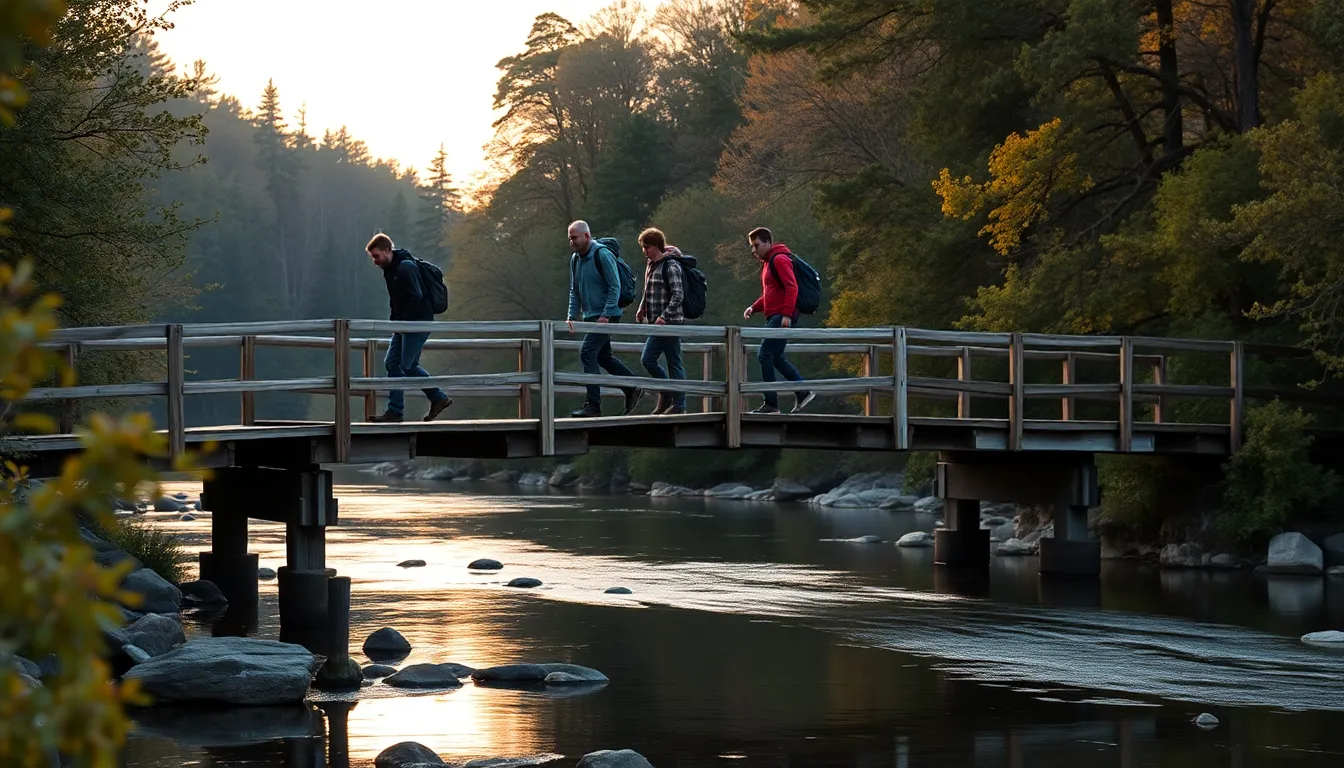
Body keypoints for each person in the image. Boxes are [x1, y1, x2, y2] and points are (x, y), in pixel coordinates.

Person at [364, 233, 453, 423]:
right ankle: (395, 411)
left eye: (377, 256)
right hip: (403, 323)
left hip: (418, 321)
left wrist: (404, 322)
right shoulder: (390, 268)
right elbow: (397, 299)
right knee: (392, 363)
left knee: (408, 365)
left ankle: (438, 397)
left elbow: (416, 296)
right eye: (373, 257)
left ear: (388, 250)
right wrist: (395, 322)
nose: (375, 261)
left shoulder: (406, 266)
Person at [566, 220, 644, 418]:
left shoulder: (602, 254)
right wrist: (571, 315)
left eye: (575, 237)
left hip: (607, 315)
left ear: (587, 236)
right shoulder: (575, 259)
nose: (572, 241)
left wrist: (606, 315)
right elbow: (574, 289)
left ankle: (593, 405)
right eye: (570, 238)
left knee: (587, 352)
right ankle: (632, 387)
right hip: (591, 315)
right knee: (603, 357)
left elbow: (614, 286)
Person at [742, 227, 814, 414]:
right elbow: (770, 294)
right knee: (776, 357)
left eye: (756, 245)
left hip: (781, 316)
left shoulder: (780, 259)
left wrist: (787, 315)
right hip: (774, 316)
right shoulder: (768, 263)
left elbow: (792, 287)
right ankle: (803, 392)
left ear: (767, 242)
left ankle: (771, 404)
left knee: (764, 355)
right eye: (752, 246)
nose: (754, 250)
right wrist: (754, 307)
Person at [634, 227, 687, 415]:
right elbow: (648, 290)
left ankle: (676, 402)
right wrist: (642, 308)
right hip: (657, 323)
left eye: (647, 247)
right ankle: (668, 397)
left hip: (670, 322)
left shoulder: (670, 266)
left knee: (665, 361)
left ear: (656, 245)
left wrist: (664, 316)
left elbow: (678, 295)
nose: (645, 251)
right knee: (655, 360)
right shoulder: (651, 265)